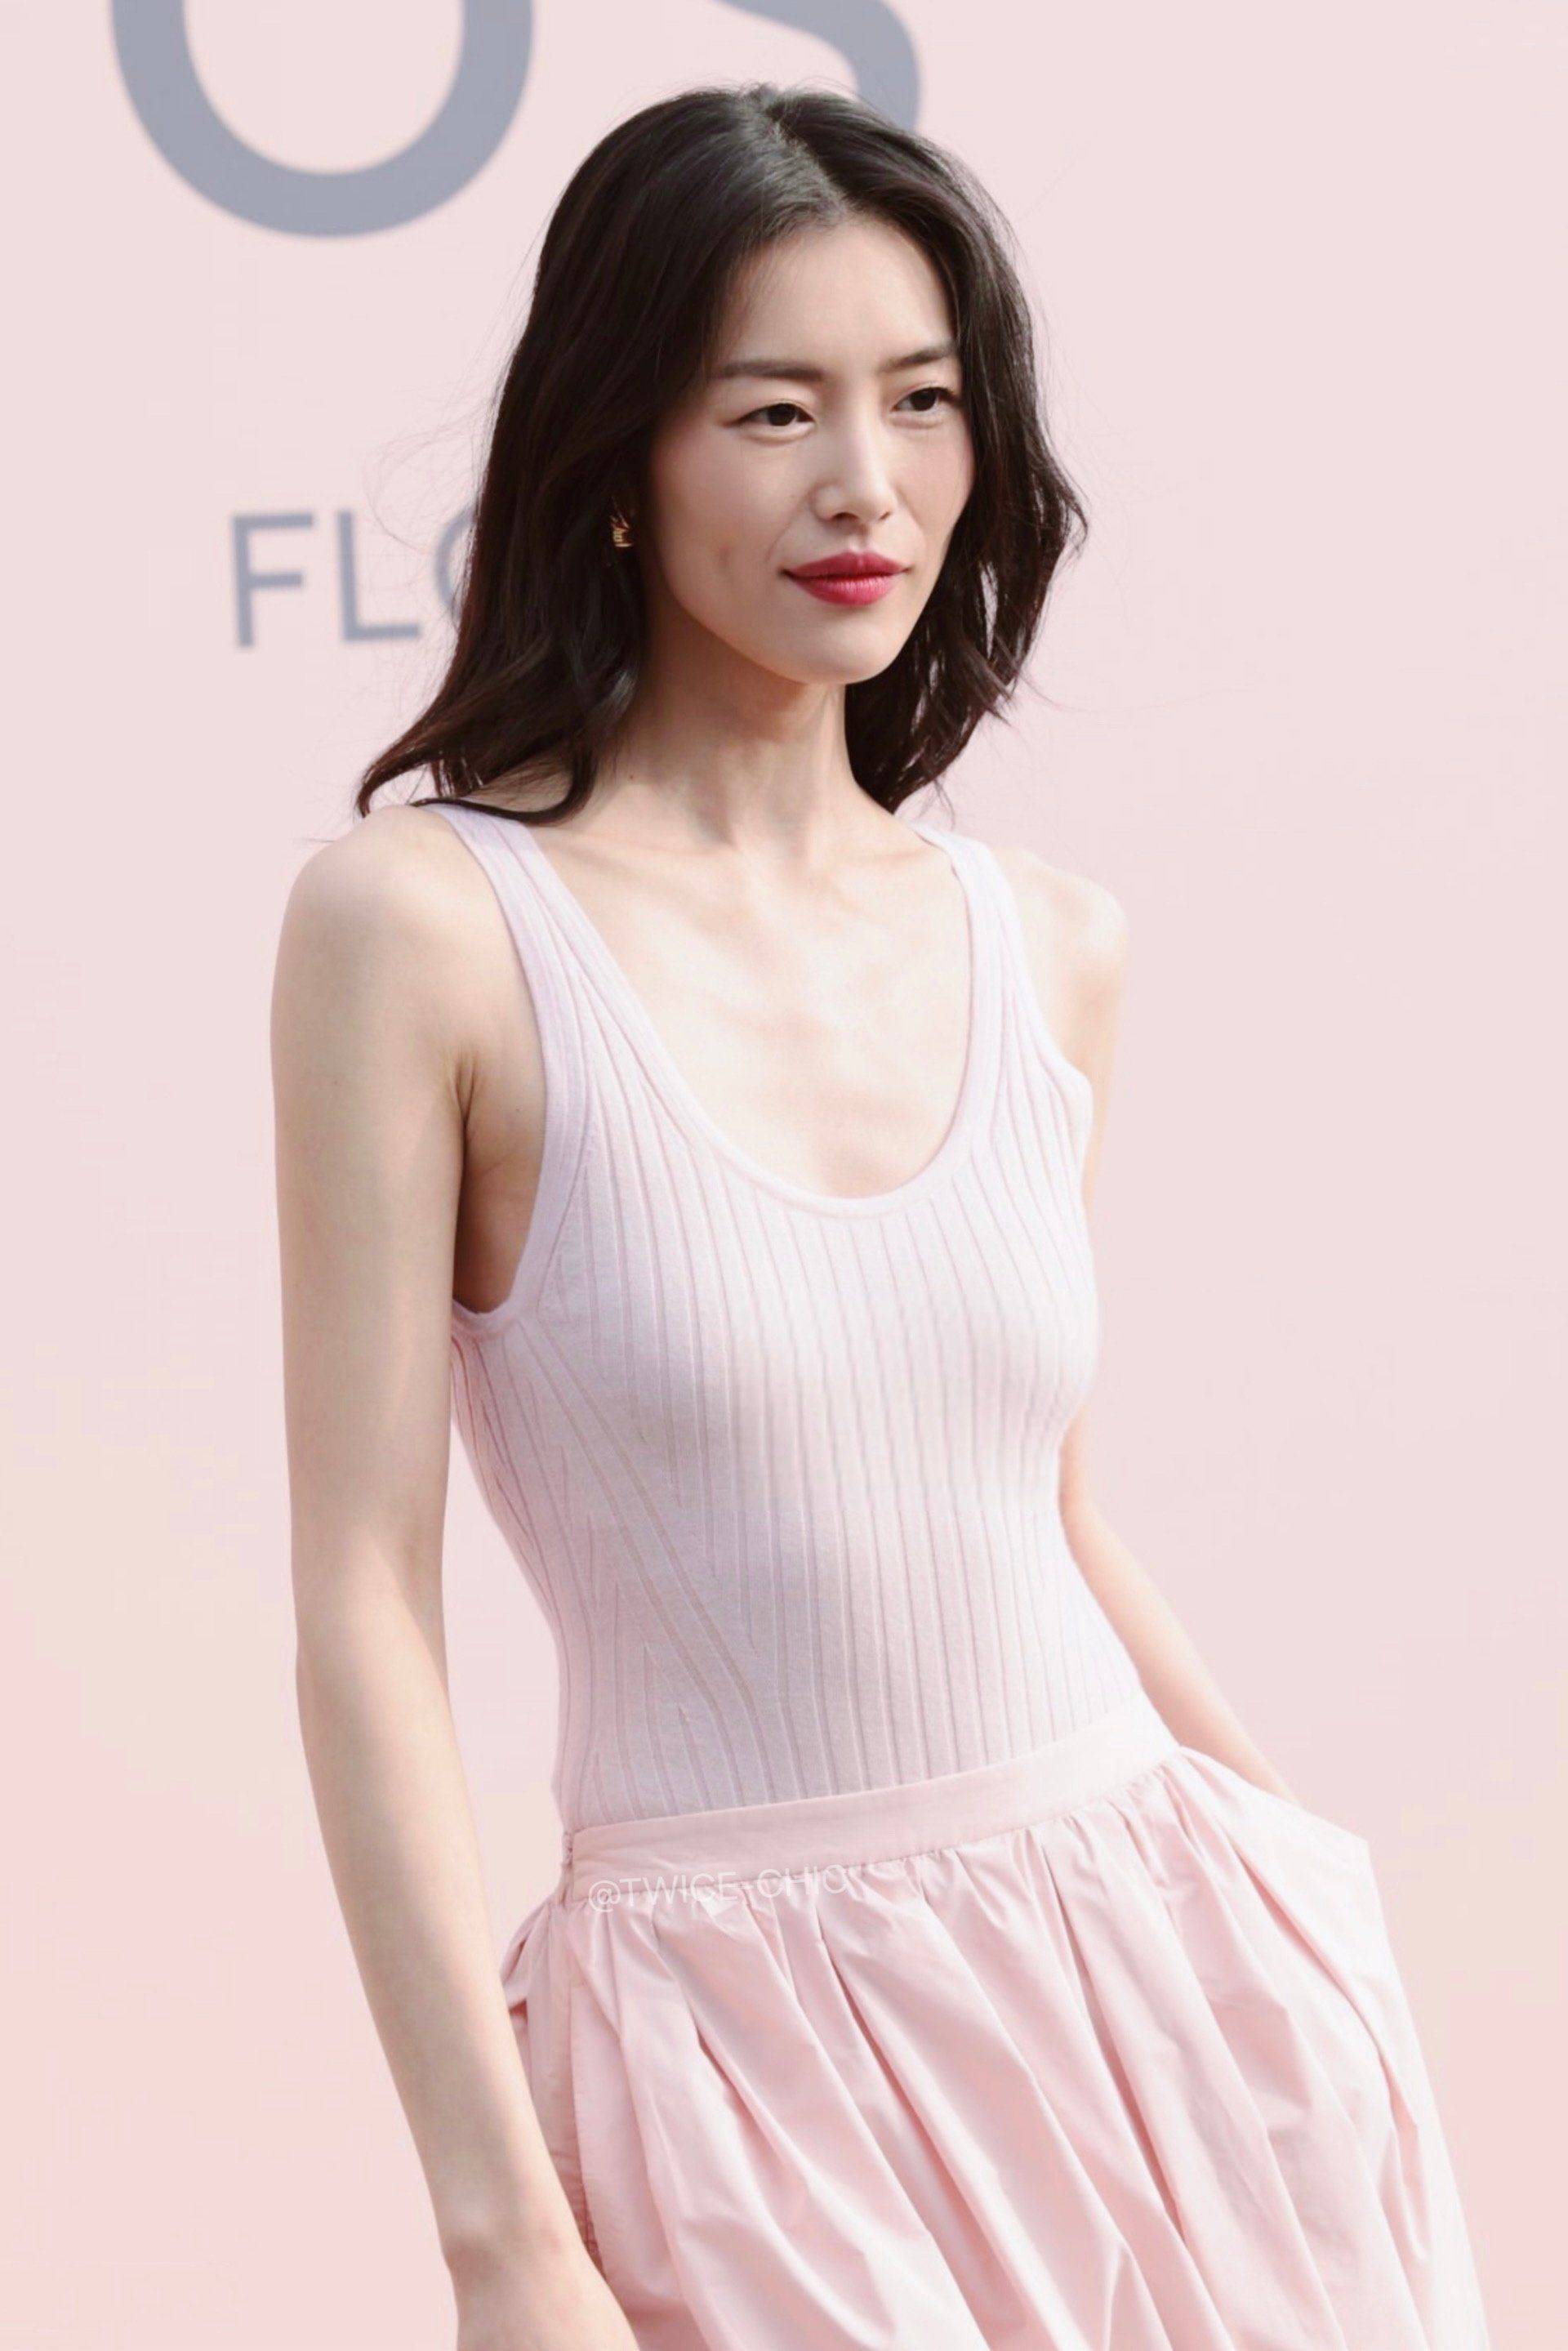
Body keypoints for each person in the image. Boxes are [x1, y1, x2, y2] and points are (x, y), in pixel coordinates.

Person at [271, 81, 1491, 2351]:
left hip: (1174, 1999)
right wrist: (500, 2229)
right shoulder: (422, 929)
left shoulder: (1049, 941)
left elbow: (1049, 1517)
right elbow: (362, 1598)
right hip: (736, 2047)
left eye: (924, 401)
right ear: (618, 455)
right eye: (776, 410)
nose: (868, 483)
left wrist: (1308, 1908)